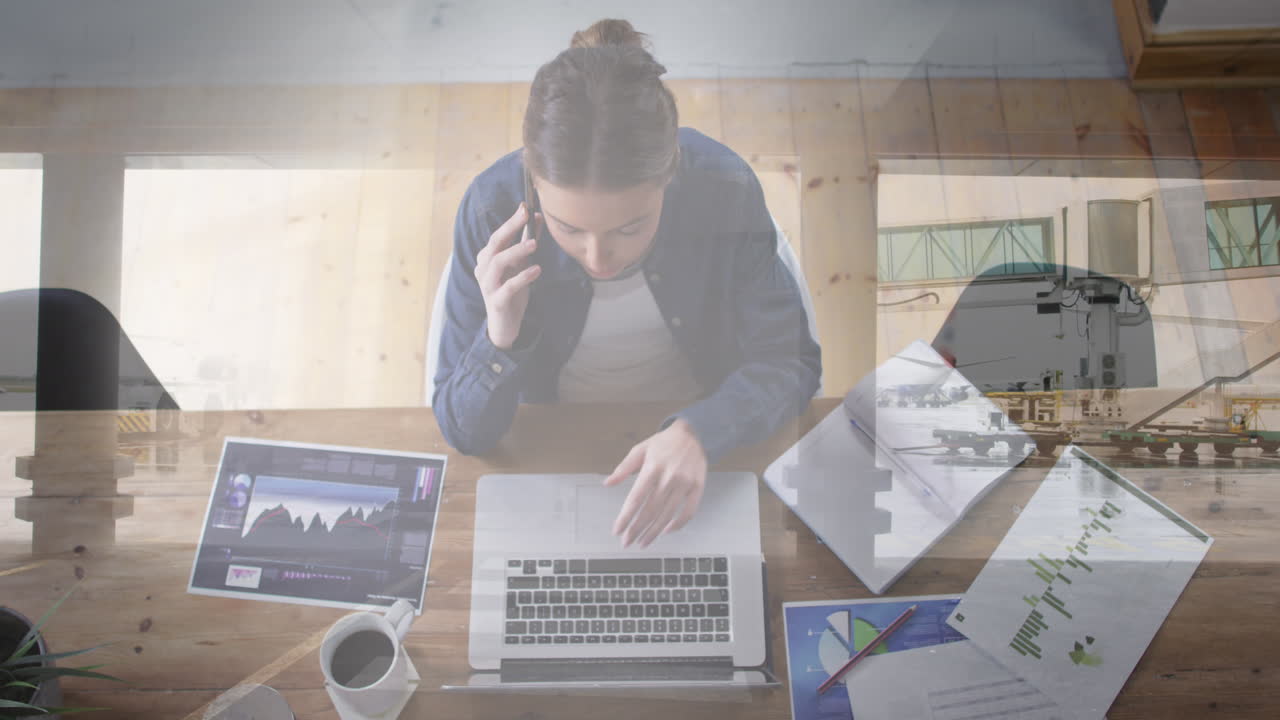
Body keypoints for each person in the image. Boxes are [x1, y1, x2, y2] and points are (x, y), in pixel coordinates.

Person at [432, 19, 821, 548]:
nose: (600, 258)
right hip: (558, 438)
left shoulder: (723, 188)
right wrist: (501, 335)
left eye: (631, 226)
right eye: (569, 228)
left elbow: (791, 363)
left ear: (671, 174)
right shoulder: (490, 207)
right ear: (533, 178)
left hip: (699, 426)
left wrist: (701, 430)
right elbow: (463, 431)